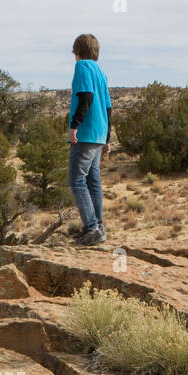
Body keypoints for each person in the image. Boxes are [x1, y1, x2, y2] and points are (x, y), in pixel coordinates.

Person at [67, 33, 112, 245]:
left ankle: (92, 228)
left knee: (77, 180)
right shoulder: (101, 73)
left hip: (86, 132)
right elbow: (108, 108)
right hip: (100, 134)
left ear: (78, 50)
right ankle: (98, 226)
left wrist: (74, 125)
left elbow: (85, 97)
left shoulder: (82, 67)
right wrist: (108, 138)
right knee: (92, 181)